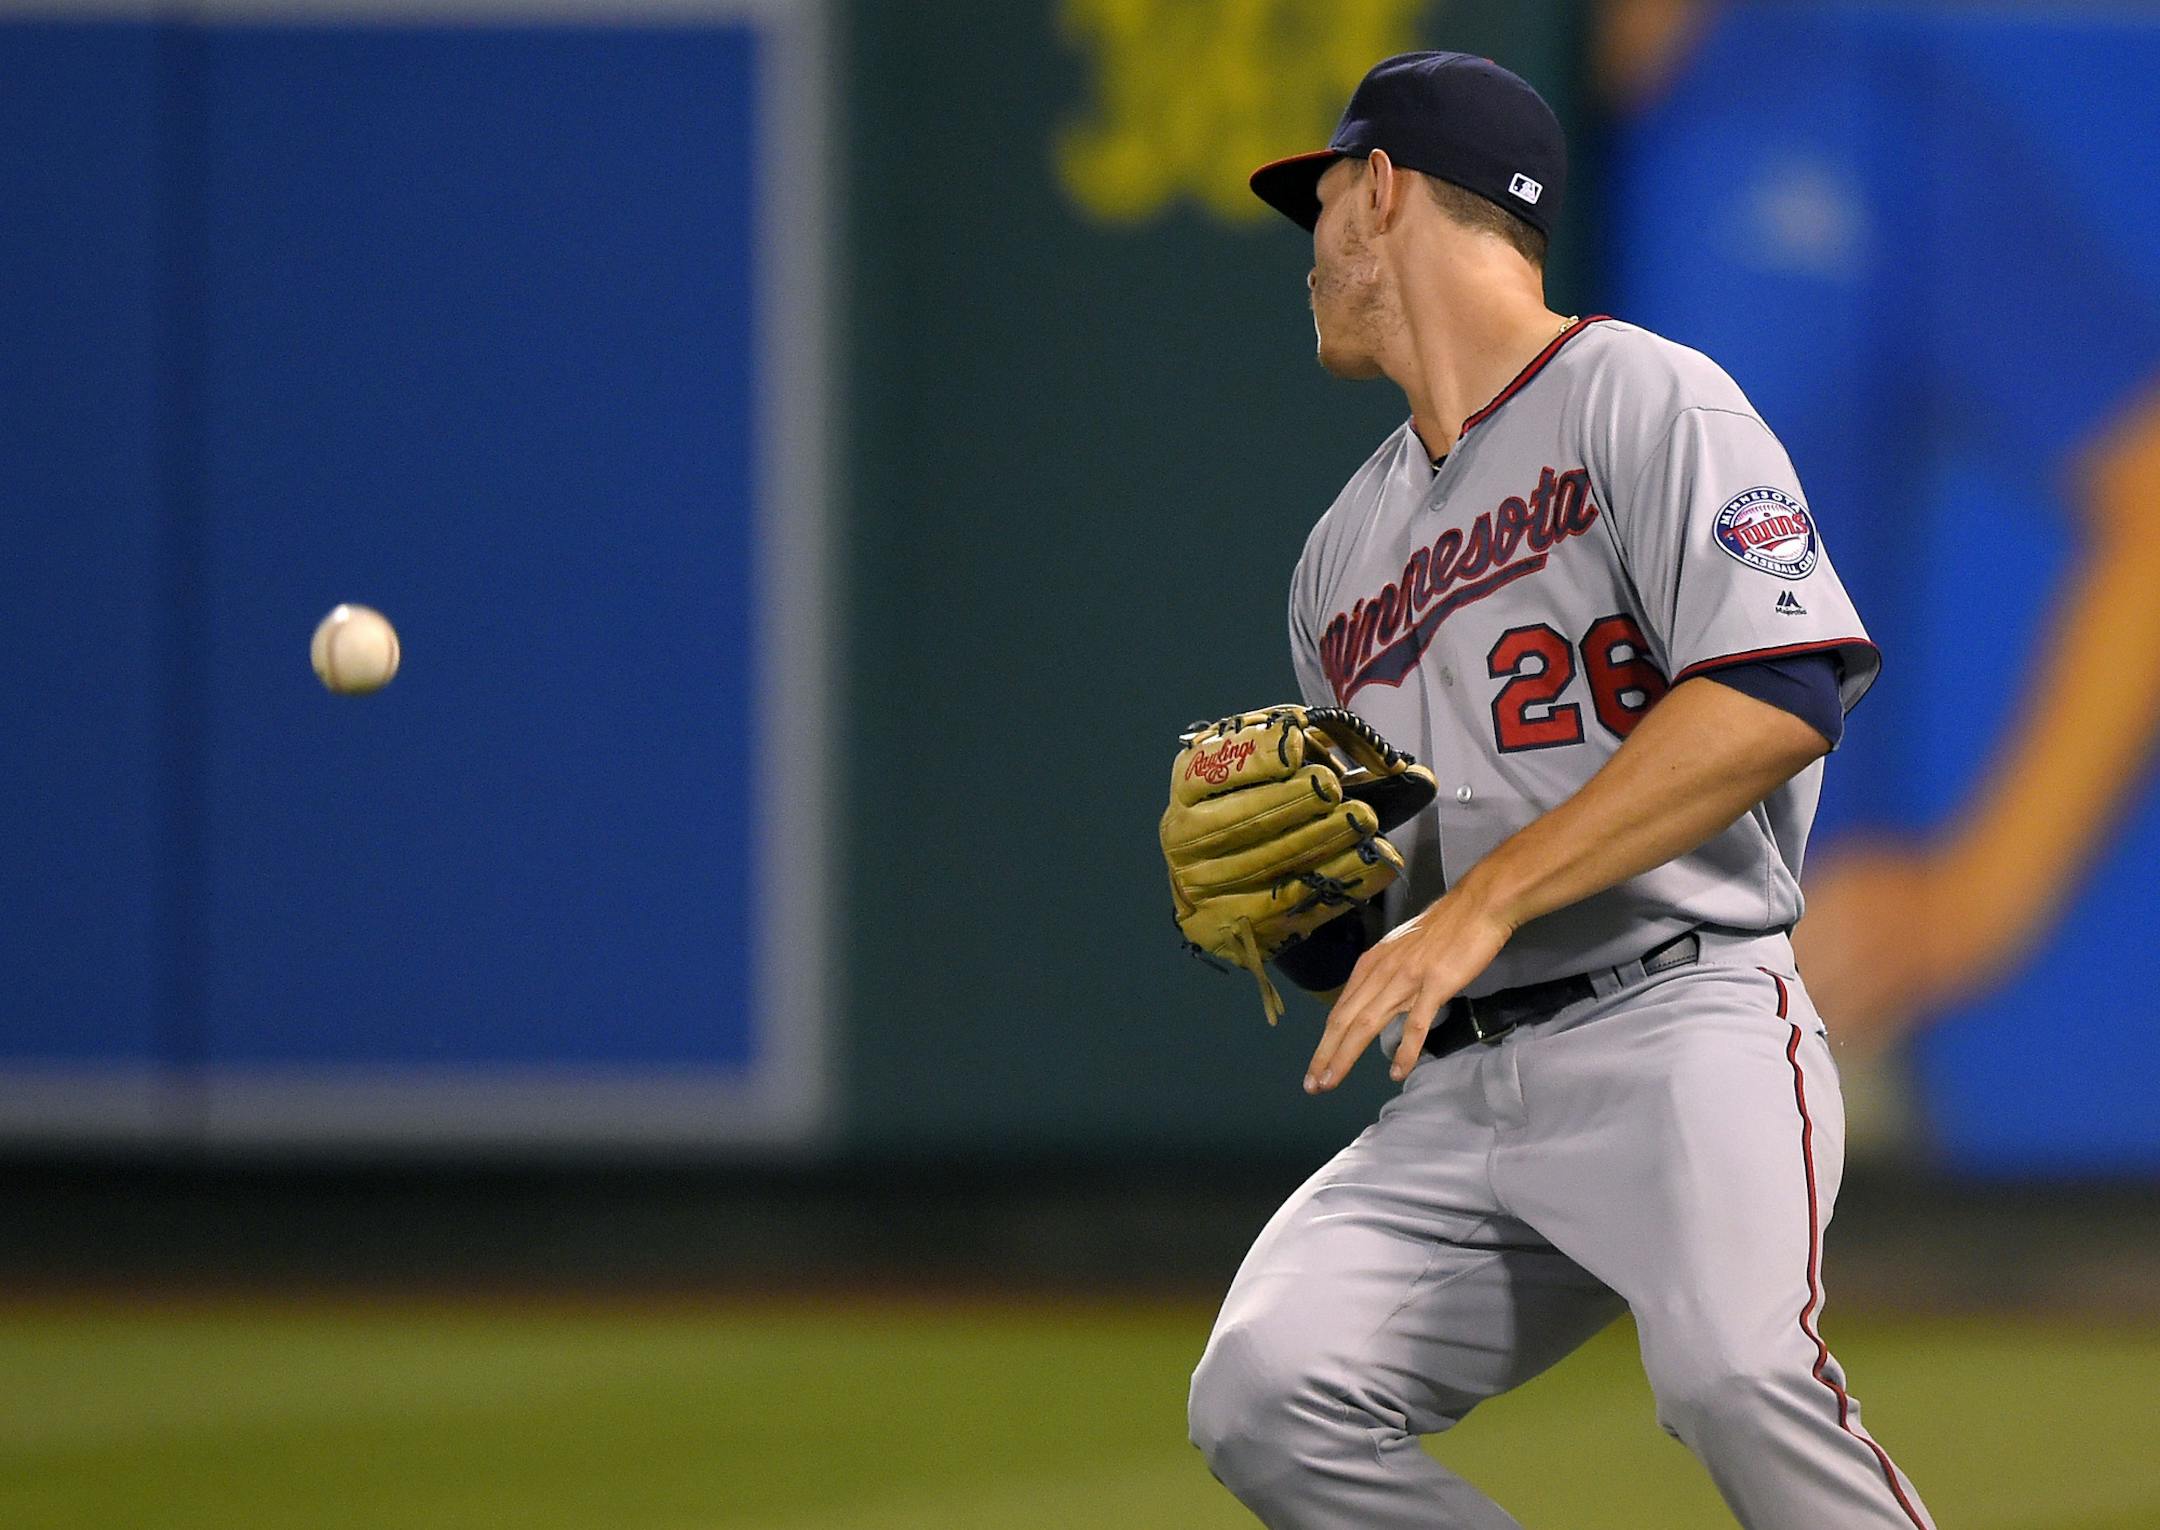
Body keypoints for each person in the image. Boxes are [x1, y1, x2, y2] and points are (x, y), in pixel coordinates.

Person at [1182, 52, 1935, 1528]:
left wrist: (1486, 900)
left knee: (1738, 1376)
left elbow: (1781, 698)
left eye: (1321, 204)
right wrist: (1299, 916)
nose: (1314, 253)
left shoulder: (1646, 398)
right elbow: (1387, 900)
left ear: (1382, 190)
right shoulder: (1339, 557)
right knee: (1267, 1391)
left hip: (1684, 1026)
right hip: (1467, 1083)